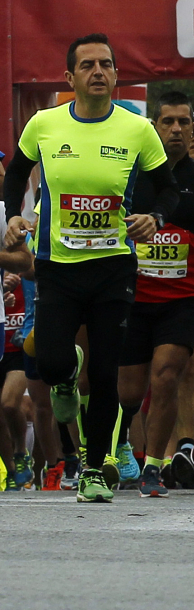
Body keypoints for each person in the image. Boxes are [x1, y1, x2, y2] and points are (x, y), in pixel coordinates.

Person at [3, 35, 177, 503]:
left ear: (116, 74)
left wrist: (154, 217)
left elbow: (169, 190)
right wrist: (14, 215)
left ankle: (95, 469)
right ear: (70, 77)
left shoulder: (137, 129)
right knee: (54, 361)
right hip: (58, 266)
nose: (97, 71)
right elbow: (17, 173)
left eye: (106, 64)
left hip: (113, 267)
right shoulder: (44, 124)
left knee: (105, 373)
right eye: (87, 65)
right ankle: (65, 371)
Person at [117, 91, 194, 497]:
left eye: (186, 123)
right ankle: (119, 446)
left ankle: (154, 465)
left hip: (182, 299)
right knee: (129, 392)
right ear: (155, 126)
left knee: (166, 375)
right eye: (169, 122)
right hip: (132, 296)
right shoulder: (132, 173)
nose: (178, 130)